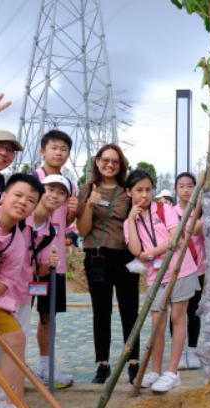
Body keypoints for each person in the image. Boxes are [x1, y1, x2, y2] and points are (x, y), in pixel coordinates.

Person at [123, 170, 198, 392]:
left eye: (148, 189)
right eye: (139, 190)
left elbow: (175, 238)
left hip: (181, 270)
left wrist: (150, 254)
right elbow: (136, 249)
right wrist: (131, 218)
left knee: (177, 317)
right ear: (129, 192)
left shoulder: (164, 209)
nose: (144, 195)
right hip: (156, 276)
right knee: (157, 324)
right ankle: (155, 370)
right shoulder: (129, 222)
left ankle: (172, 372)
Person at [75, 144, 139, 384]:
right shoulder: (86, 189)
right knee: (100, 311)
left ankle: (133, 362)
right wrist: (90, 203)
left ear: (121, 164)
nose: (110, 165)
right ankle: (102, 364)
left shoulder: (127, 192)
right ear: (97, 161)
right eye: (105, 160)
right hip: (96, 255)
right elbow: (82, 229)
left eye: (115, 161)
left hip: (123, 256)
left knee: (129, 310)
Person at [0, 174, 43, 408]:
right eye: (18, 195)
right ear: (4, 196)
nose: (22, 202)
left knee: (16, 337)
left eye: (30, 200)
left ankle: (10, 403)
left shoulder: (17, 241)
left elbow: (6, 281)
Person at [31, 130, 78, 388]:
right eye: (54, 147)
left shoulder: (69, 184)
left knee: (48, 316)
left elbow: (64, 223)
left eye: (64, 149)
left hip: (55, 262)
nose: (59, 152)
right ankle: (8, 365)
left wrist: (73, 214)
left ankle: (44, 368)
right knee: (13, 314)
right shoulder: (30, 180)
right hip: (25, 262)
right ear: (42, 151)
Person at [170, 172, 204, 370]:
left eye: (190, 186)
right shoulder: (170, 212)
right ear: (176, 189)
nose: (185, 190)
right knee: (177, 312)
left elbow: (198, 231)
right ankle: (179, 351)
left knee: (194, 311)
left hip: (198, 269)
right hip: (176, 270)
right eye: (181, 186)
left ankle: (192, 350)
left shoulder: (201, 212)